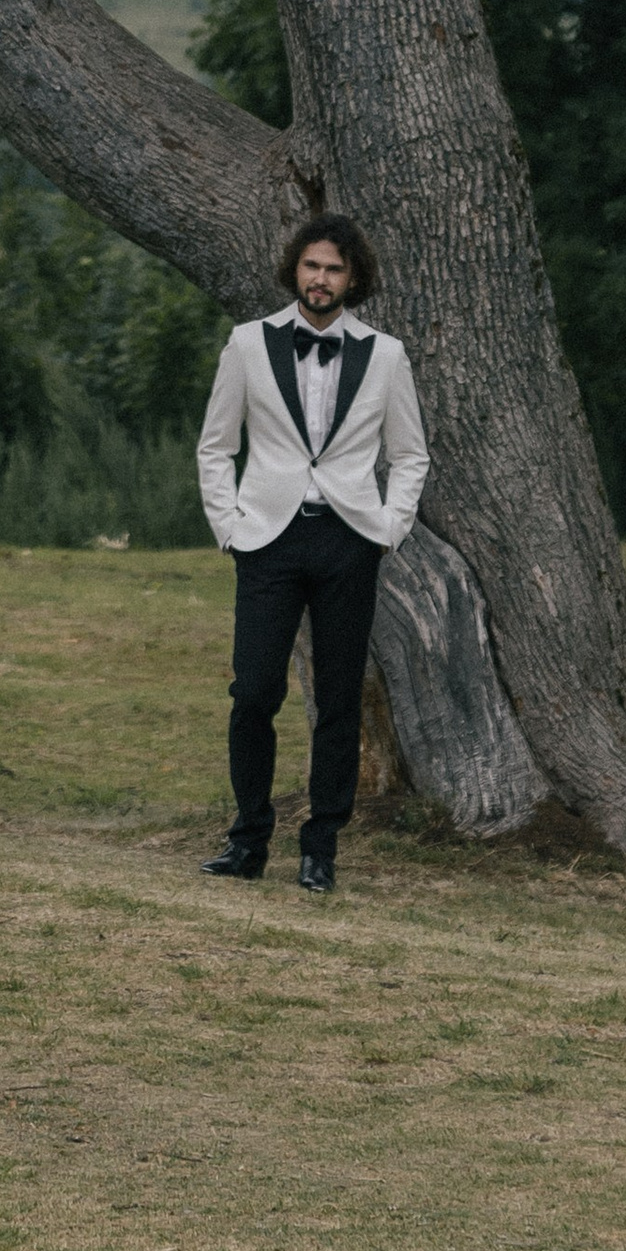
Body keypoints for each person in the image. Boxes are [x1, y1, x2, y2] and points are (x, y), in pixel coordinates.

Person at [194, 211, 431, 894]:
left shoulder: (385, 356)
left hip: (348, 540)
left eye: (333, 269)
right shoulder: (247, 344)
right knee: (254, 692)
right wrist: (229, 526)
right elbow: (216, 445)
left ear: (352, 278)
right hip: (266, 538)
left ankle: (320, 847)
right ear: (294, 269)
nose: (320, 279)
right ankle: (247, 841)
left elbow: (409, 455)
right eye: (311, 266)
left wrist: (388, 527)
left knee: (337, 699)